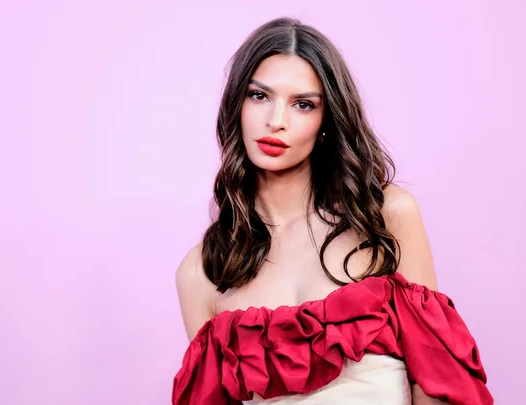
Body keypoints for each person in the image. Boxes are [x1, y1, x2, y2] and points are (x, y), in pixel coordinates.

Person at [171, 17, 493, 405]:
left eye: (303, 104)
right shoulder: (201, 274)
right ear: (235, 104)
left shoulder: (387, 218)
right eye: (259, 96)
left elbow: (436, 386)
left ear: (326, 122)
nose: (277, 121)